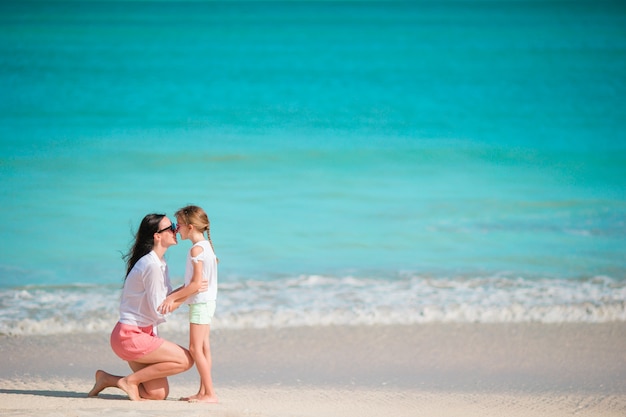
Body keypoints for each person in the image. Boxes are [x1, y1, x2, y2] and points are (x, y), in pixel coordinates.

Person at [88, 213, 196, 401]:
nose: (176, 230)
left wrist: (191, 287)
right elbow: (159, 308)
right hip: (130, 336)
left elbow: (168, 298)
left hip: (139, 334)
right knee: (186, 360)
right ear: (157, 236)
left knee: (157, 394)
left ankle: (108, 379)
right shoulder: (151, 265)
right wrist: (190, 292)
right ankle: (130, 381)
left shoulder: (160, 263)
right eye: (171, 227)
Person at [158, 205, 219, 403]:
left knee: (194, 349)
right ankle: (203, 391)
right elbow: (193, 284)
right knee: (203, 348)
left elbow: (194, 285)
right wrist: (174, 295)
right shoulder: (206, 247)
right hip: (207, 302)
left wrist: (171, 299)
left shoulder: (196, 250)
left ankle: (209, 393)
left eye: (179, 225)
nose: (176, 230)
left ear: (190, 227)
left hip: (201, 304)